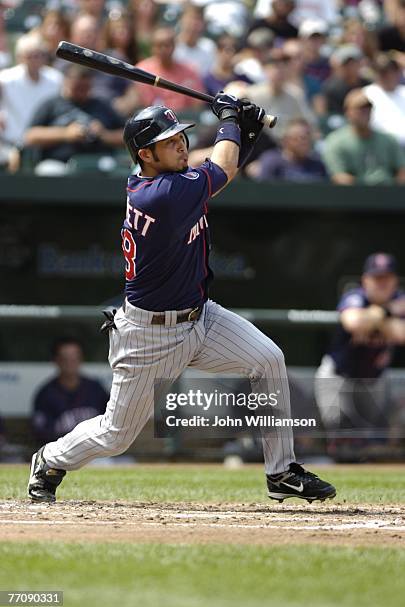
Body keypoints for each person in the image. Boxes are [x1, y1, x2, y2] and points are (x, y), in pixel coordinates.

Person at [28, 93, 336, 504]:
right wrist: (229, 119)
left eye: (180, 136)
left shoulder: (167, 181)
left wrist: (242, 129)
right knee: (116, 435)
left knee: (268, 359)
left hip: (200, 316)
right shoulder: (160, 196)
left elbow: (217, 167)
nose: (181, 144)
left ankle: (281, 472)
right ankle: (50, 458)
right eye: (169, 140)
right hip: (149, 334)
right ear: (146, 154)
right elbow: (223, 166)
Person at [315, 253, 405, 450]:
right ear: (365, 280)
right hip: (338, 377)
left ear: (395, 280)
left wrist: (374, 319)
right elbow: (353, 322)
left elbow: (402, 333)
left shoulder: (402, 299)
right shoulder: (355, 296)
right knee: (341, 435)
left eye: (386, 277)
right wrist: (387, 312)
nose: (381, 283)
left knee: (371, 441)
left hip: (374, 380)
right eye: (376, 277)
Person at [24, 64, 124, 169]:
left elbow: (126, 136)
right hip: (59, 162)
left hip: (98, 161)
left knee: (112, 167)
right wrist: (65, 133)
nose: (82, 91)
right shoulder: (52, 104)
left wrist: (104, 135)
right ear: (66, 82)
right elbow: (30, 136)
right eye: (77, 87)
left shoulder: (102, 106)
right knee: (50, 170)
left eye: (86, 87)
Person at [32, 337, 109, 446]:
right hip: (62, 455)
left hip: (97, 453)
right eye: (65, 359)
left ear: (81, 359)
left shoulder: (95, 389)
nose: (70, 363)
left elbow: (112, 423)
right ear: (56, 360)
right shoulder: (46, 394)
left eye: (74, 358)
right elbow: (41, 435)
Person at [323, 88, 405, 184]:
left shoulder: (388, 139)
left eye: (368, 107)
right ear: (347, 112)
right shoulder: (336, 142)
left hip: (388, 193)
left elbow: (402, 170)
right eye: (359, 108)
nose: (365, 111)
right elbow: (339, 176)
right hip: (354, 195)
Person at [117, 27, 204, 116]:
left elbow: (197, 104)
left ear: (174, 46)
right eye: (159, 45)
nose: (163, 49)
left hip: (186, 119)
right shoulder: (143, 70)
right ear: (152, 47)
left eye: (167, 45)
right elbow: (146, 104)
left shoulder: (189, 71)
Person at [0, 33, 62, 150]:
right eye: (29, 56)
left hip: (44, 145)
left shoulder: (56, 79)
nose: (34, 60)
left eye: (38, 55)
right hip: (9, 144)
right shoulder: (5, 78)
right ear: (19, 57)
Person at [246, 47, 317, 142]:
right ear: (266, 70)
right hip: (258, 145)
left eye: (283, 66)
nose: (279, 71)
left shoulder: (295, 94)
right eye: (275, 67)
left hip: (287, 147)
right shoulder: (252, 94)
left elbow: (309, 123)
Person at [247, 118, 327, 181]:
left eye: (307, 137)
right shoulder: (271, 161)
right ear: (286, 140)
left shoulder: (318, 164)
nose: (304, 142)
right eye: (299, 138)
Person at [364, 54, 405, 147]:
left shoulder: (403, 91)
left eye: (392, 71)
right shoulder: (366, 94)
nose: (389, 75)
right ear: (376, 73)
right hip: (380, 147)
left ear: (398, 72)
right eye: (383, 72)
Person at [320, 45, 370, 116]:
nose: (351, 67)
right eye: (347, 64)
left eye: (354, 63)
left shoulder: (369, 85)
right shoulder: (331, 89)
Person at [173, 4, 216, 77]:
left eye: (198, 19)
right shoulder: (171, 46)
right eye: (191, 18)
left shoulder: (209, 47)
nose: (194, 23)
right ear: (181, 20)